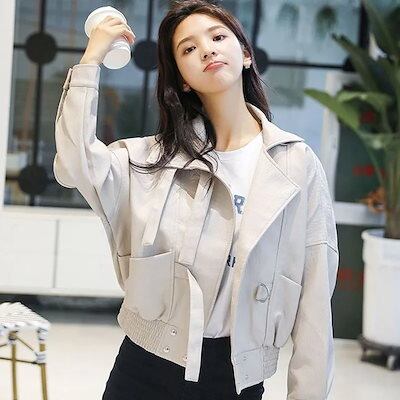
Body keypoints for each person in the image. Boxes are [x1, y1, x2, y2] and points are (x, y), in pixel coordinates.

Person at [53, 1, 339, 399]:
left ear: (245, 55)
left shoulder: (296, 164)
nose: (206, 49)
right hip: (144, 368)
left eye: (218, 37)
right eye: (188, 48)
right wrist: (92, 59)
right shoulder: (152, 159)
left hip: (235, 379)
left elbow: (315, 302)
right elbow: (74, 163)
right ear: (183, 80)